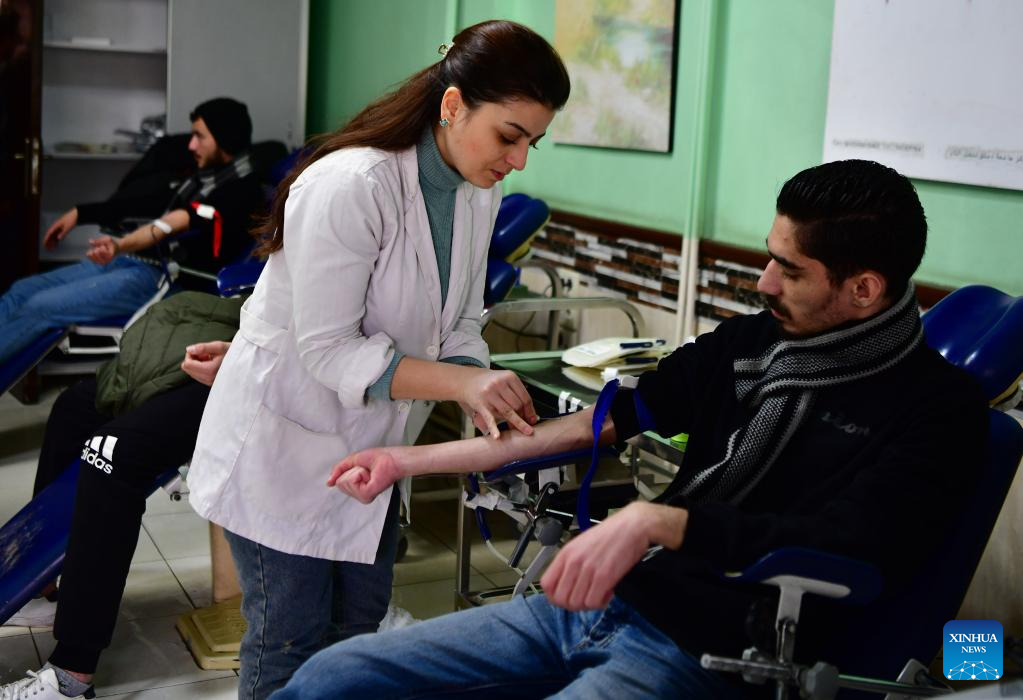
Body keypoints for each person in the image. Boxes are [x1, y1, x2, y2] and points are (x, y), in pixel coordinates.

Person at [270, 160, 990, 699]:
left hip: (715, 650)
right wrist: (405, 461)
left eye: (789, 269)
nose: (764, 282)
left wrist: (661, 521)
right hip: (614, 602)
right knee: (335, 676)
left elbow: (846, 545)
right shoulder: (751, 346)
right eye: (769, 255)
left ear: (863, 288)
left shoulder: (938, 411)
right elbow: (601, 423)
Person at [186, 20, 571, 699]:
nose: (518, 161)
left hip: (372, 455)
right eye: (509, 136)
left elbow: (460, 321)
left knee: (358, 635)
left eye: (531, 143)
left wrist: (481, 384)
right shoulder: (351, 183)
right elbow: (329, 349)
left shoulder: (476, 191)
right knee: (288, 639)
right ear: (452, 106)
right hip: (285, 446)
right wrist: (461, 385)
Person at [0, 292, 239, 700]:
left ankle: (72, 674)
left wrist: (240, 359)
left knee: (109, 453)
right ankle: (43, 589)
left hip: (259, 372)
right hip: (232, 340)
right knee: (73, 407)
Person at [0, 97, 262, 366]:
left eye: (199, 136)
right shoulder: (204, 179)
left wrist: (119, 245)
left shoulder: (241, 192)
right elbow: (147, 203)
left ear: (224, 139)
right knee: (22, 290)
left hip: (163, 278)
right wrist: (80, 213)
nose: (191, 145)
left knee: (39, 306)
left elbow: (172, 222)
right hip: (138, 261)